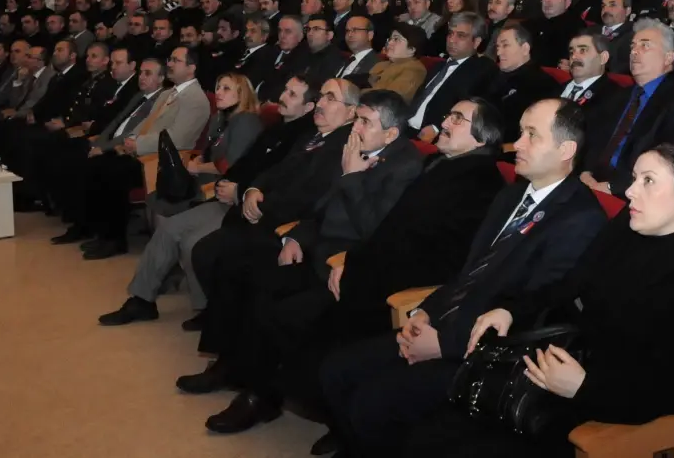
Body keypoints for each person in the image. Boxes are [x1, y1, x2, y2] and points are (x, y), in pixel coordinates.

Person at [406, 144, 674, 458]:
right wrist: (511, 309)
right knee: (427, 438)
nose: (630, 191)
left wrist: (583, 388)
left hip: (613, 410)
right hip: (562, 369)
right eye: (633, 179)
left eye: (648, 181)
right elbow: (568, 285)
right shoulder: (626, 229)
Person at [319, 99, 606, 458]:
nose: (516, 143)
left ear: (566, 150)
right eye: (520, 131)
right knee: (338, 371)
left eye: (531, 135)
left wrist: (446, 345)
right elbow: (467, 272)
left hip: (493, 354)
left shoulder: (580, 219)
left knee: (374, 403)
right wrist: (424, 313)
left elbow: (536, 308)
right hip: (449, 323)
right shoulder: (512, 195)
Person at [187, 91, 425, 433]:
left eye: (364, 122)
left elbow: (373, 229)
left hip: (345, 266)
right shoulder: (354, 149)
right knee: (242, 274)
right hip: (316, 248)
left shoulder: (405, 165)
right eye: (356, 118)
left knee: (276, 309)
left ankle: (259, 398)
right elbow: (322, 208)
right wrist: (298, 235)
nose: (355, 128)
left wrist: (352, 176)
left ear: (390, 134)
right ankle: (230, 366)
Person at [99, 75, 318, 326]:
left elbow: (278, 182)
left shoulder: (303, 139)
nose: (282, 96)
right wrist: (230, 185)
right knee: (169, 228)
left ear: (309, 107)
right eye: (285, 90)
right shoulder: (275, 128)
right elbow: (245, 165)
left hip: (250, 207)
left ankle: (208, 310)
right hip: (228, 195)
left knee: (194, 241)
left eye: (292, 94)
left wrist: (238, 190)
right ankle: (141, 300)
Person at [74, 46, 212, 260]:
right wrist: (130, 140)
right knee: (97, 165)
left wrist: (137, 144)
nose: (170, 64)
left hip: (165, 160)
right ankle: (102, 233)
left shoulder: (196, 99)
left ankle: (115, 240)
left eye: (176, 60)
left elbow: (177, 139)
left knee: (113, 172)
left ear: (191, 67)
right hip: (145, 150)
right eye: (170, 59)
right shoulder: (168, 92)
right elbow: (148, 123)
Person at [580, 19, 674, 194]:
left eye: (645, 46)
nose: (634, 52)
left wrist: (611, 187)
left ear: (669, 58)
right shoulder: (618, 95)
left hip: (635, 191)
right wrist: (586, 172)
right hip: (591, 182)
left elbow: (666, 159)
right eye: (633, 46)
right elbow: (595, 139)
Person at [405, 12, 497, 141]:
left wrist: (437, 128)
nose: (452, 40)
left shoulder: (480, 70)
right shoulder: (438, 67)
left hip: (437, 134)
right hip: (406, 128)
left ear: (476, 42)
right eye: (450, 34)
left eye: (461, 35)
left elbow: (469, 108)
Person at [487, 24, 561, 143]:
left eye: (505, 45)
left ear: (525, 48)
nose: (499, 52)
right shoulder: (490, 76)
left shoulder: (542, 84)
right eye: (497, 47)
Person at [368, 24, 428, 102]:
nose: (389, 43)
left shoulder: (415, 70)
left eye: (396, 39)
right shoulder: (381, 64)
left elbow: (391, 100)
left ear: (411, 49)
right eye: (390, 39)